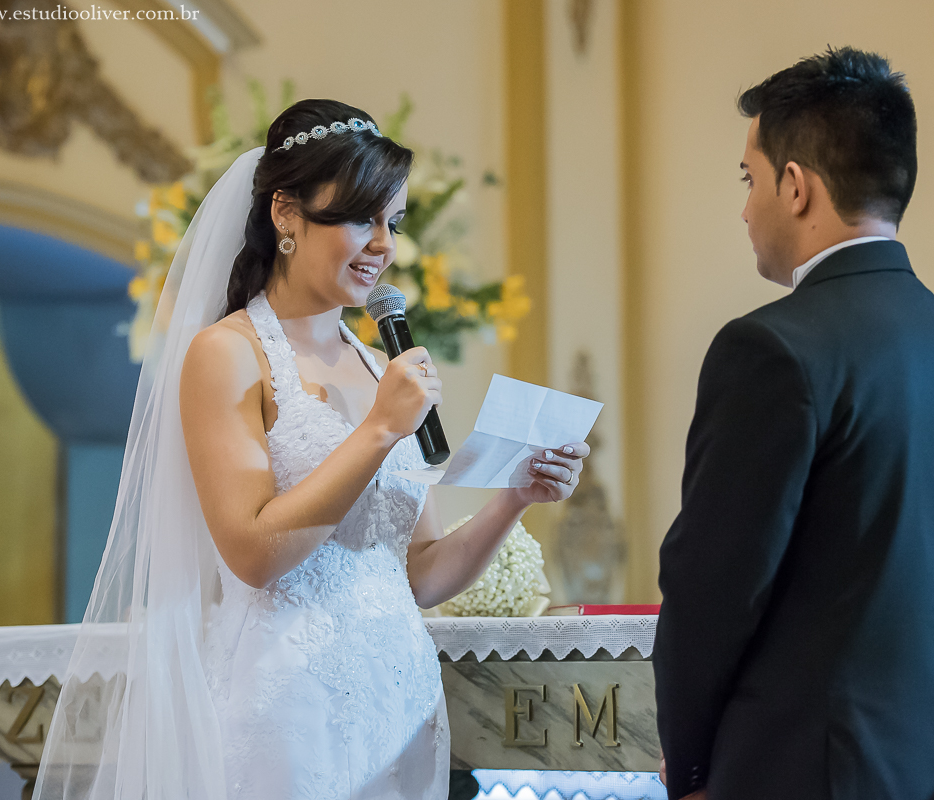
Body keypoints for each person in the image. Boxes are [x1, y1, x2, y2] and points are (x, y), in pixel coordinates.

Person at [34, 99, 588, 800]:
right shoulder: (228, 354)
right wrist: (380, 429)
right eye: (362, 218)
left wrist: (514, 498)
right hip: (287, 707)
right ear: (286, 214)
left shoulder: (374, 362)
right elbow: (254, 554)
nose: (383, 244)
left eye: (394, 222)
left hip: (400, 703)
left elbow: (417, 575)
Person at [652, 48, 934, 800]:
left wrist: (688, 765)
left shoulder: (771, 347)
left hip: (805, 769)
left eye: (749, 180)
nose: (746, 208)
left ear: (796, 185)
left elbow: (712, 584)